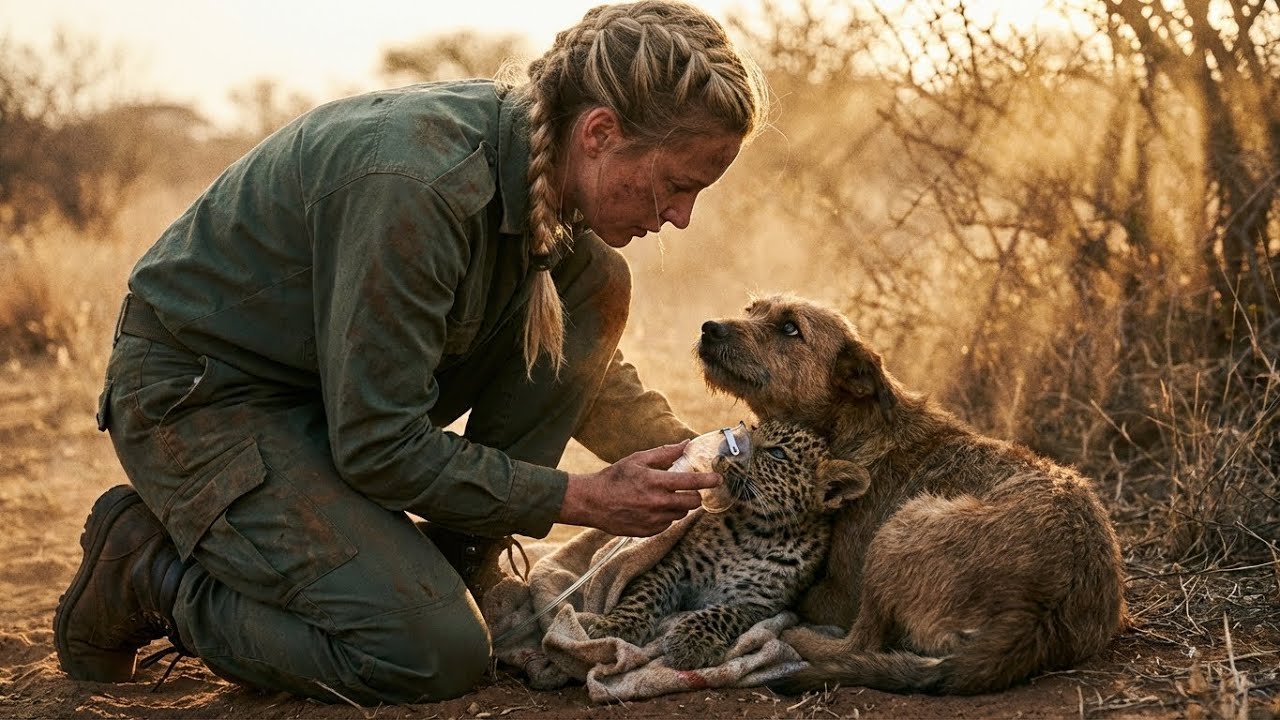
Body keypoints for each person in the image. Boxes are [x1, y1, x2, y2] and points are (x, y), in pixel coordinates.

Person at [52, 0, 769, 706]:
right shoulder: (420, 188)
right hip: (203, 400)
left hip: (328, 401)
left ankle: (461, 566)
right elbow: (378, 444)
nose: (681, 216)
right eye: (678, 185)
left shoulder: (546, 183)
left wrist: (721, 463)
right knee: (428, 654)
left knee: (596, 281)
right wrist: (579, 498)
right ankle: (149, 571)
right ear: (600, 132)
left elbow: (581, 371)